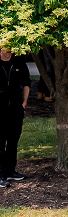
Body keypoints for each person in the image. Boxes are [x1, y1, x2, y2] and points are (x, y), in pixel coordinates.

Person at [0, 48, 29, 189]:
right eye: (7, 48)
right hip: (0, 107)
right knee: (0, 142)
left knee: (13, 141)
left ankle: (10, 171)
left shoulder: (18, 62)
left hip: (16, 107)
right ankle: (1, 175)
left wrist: (24, 103)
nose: (9, 51)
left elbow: (26, 82)